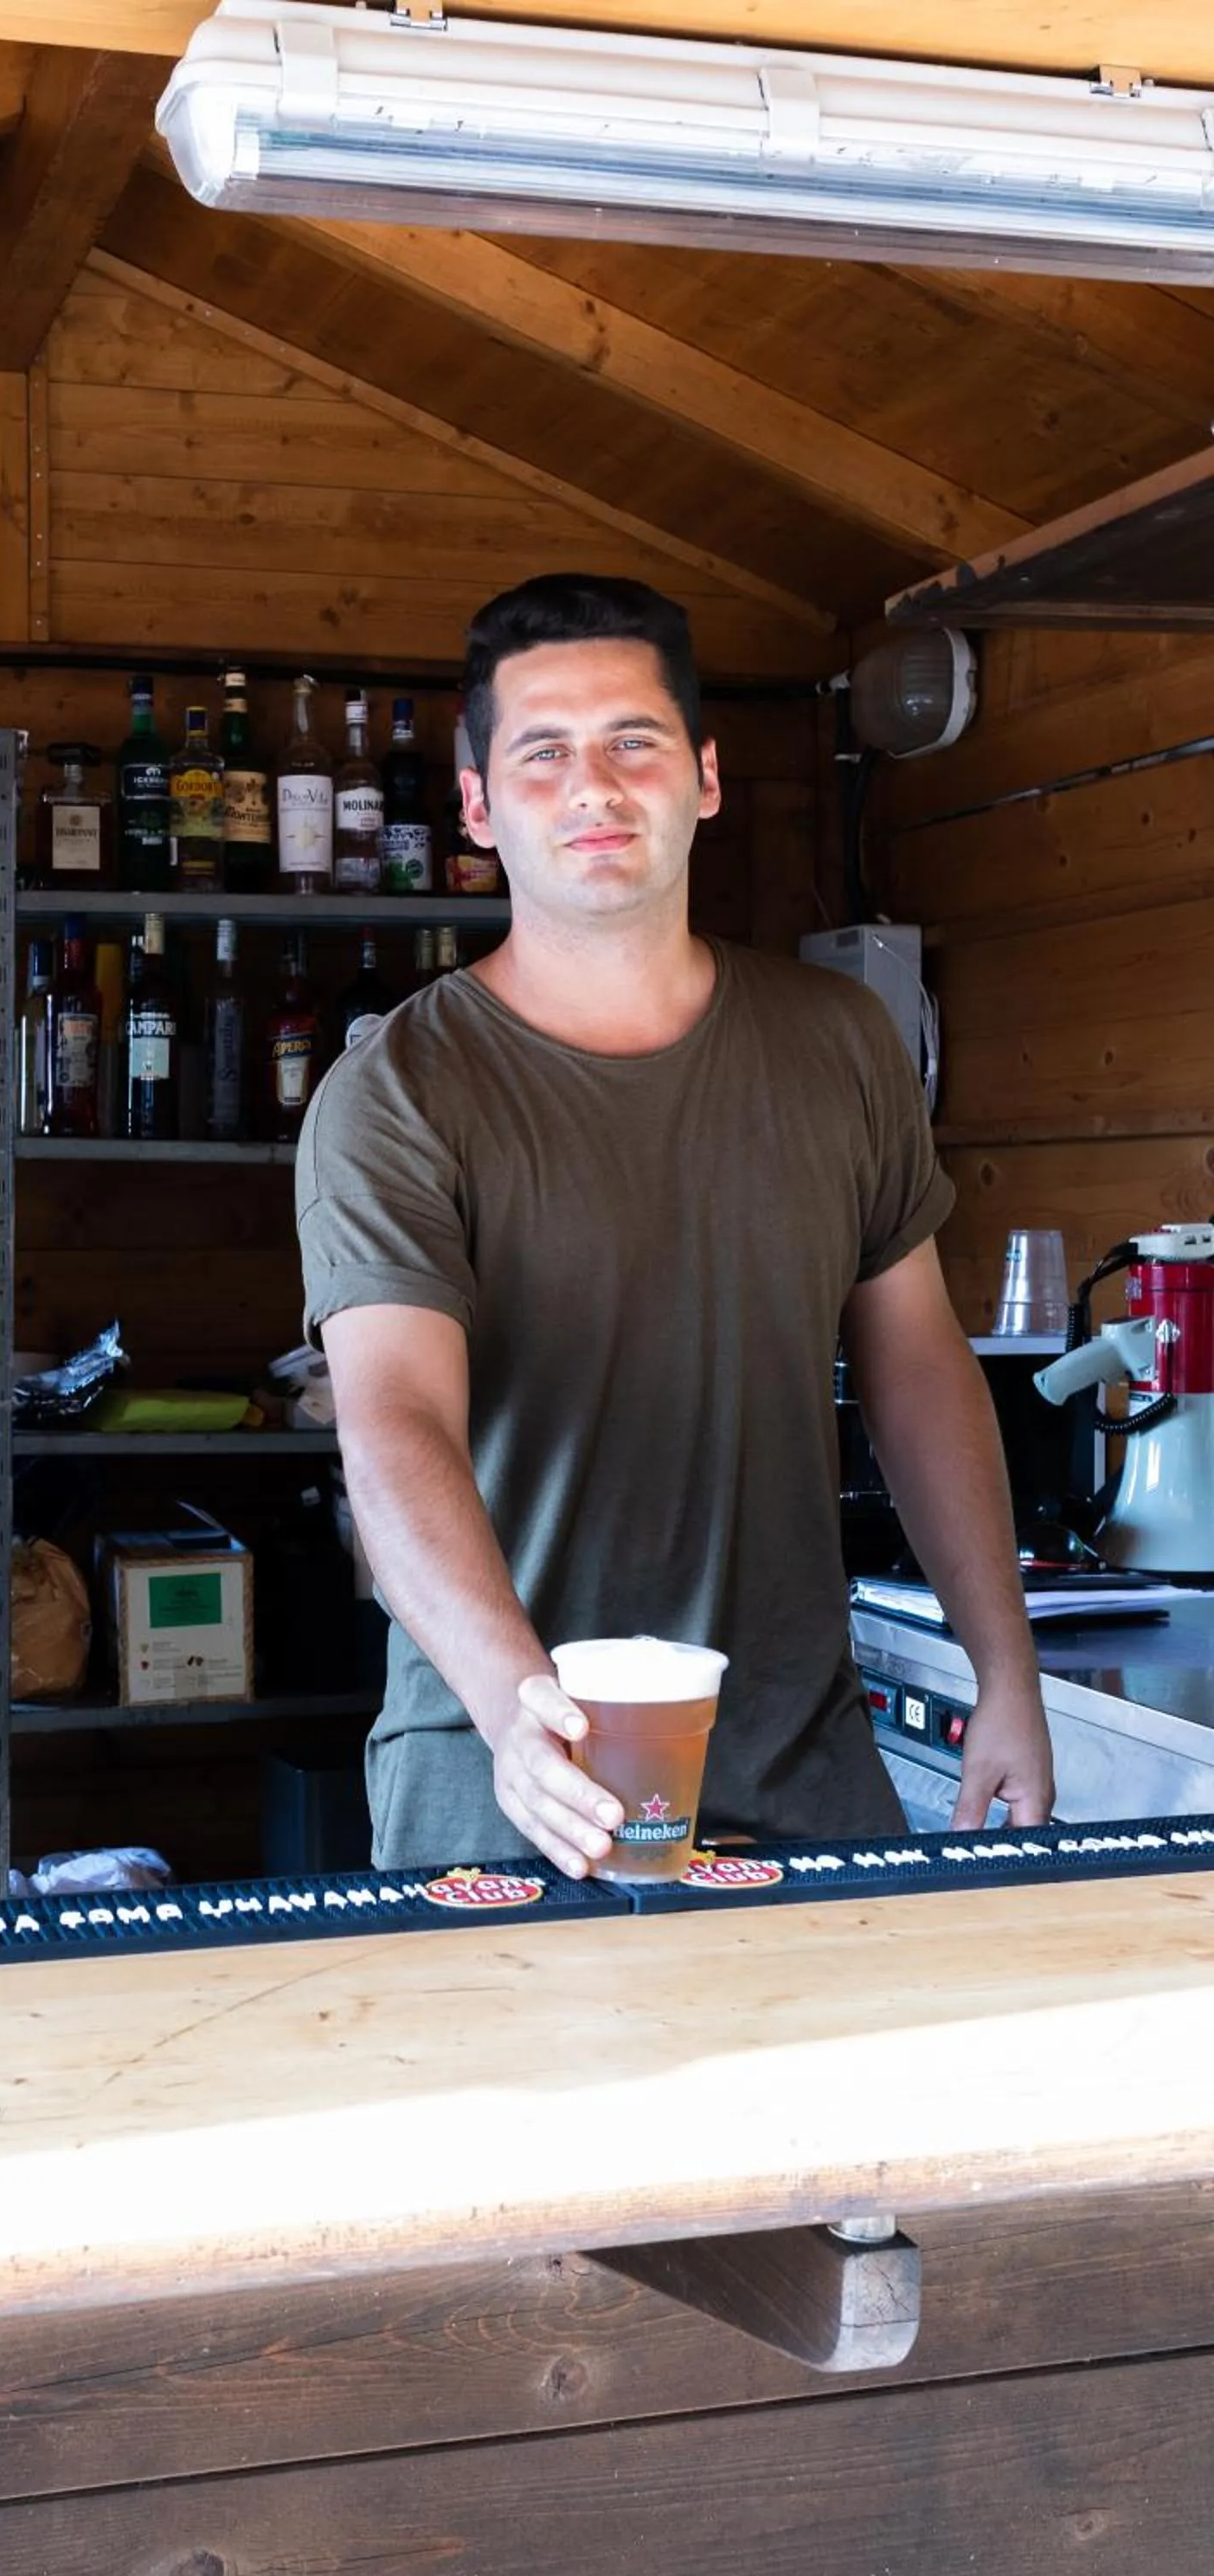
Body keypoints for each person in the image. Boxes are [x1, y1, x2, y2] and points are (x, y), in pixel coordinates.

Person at [295, 572, 1053, 1877]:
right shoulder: (400, 1092)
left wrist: (1006, 1664)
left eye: (632, 741)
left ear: (702, 776)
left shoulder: (838, 1046)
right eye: (543, 753)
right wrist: (514, 1710)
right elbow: (393, 1422)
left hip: (799, 1769)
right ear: (479, 806)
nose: (593, 786)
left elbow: (920, 1370)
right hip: (510, 1779)